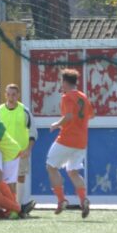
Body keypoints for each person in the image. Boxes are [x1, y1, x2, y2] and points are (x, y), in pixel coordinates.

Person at [46, 69, 94, 218]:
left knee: (51, 167)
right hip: (81, 141)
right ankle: (83, 199)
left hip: (67, 139)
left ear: (65, 82)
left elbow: (68, 116)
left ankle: (61, 200)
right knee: (73, 172)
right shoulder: (83, 97)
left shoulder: (67, 97)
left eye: (62, 82)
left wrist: (56, 124)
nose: (61, 85)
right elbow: (90, 115)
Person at [0, 84, 38, 214]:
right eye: (8, 94)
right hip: (3, 152)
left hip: (21, 152)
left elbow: (33, 132)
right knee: (3, 179)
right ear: (5, 95)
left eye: (14, 94)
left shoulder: (24, 111)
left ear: (18, 95)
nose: (11, 97)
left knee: (20, 177)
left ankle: (19, 206)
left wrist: (28, 149)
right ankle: (6, 206)